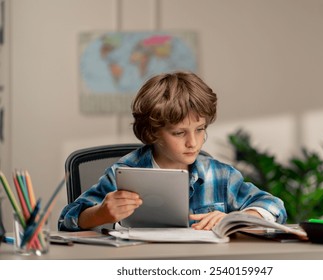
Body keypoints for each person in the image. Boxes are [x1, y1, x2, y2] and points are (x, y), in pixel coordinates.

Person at [58, 71, 287, 231]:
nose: (193, 142)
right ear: (152, 132)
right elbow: (67, 219)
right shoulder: (123, 173)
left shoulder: (220, 175)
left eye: (200, 129)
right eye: (179, 133)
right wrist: (101, 214)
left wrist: (237, 218)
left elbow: (274, 206)